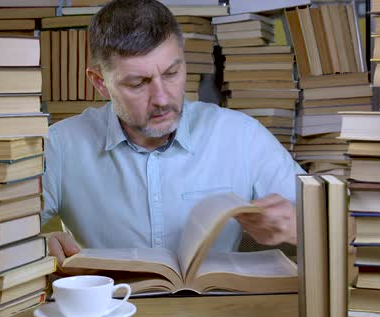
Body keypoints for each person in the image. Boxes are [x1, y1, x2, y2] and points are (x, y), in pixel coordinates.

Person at [42, 0, 305, 267]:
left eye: (171, 73)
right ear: (100, 83)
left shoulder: (241, 135)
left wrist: (297, 227)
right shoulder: (61, 145)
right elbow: (2, 237)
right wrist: (39, 244)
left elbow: (336, 225)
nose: (161, 98)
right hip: (111, 306)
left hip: (218, 305)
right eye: (138, 83)